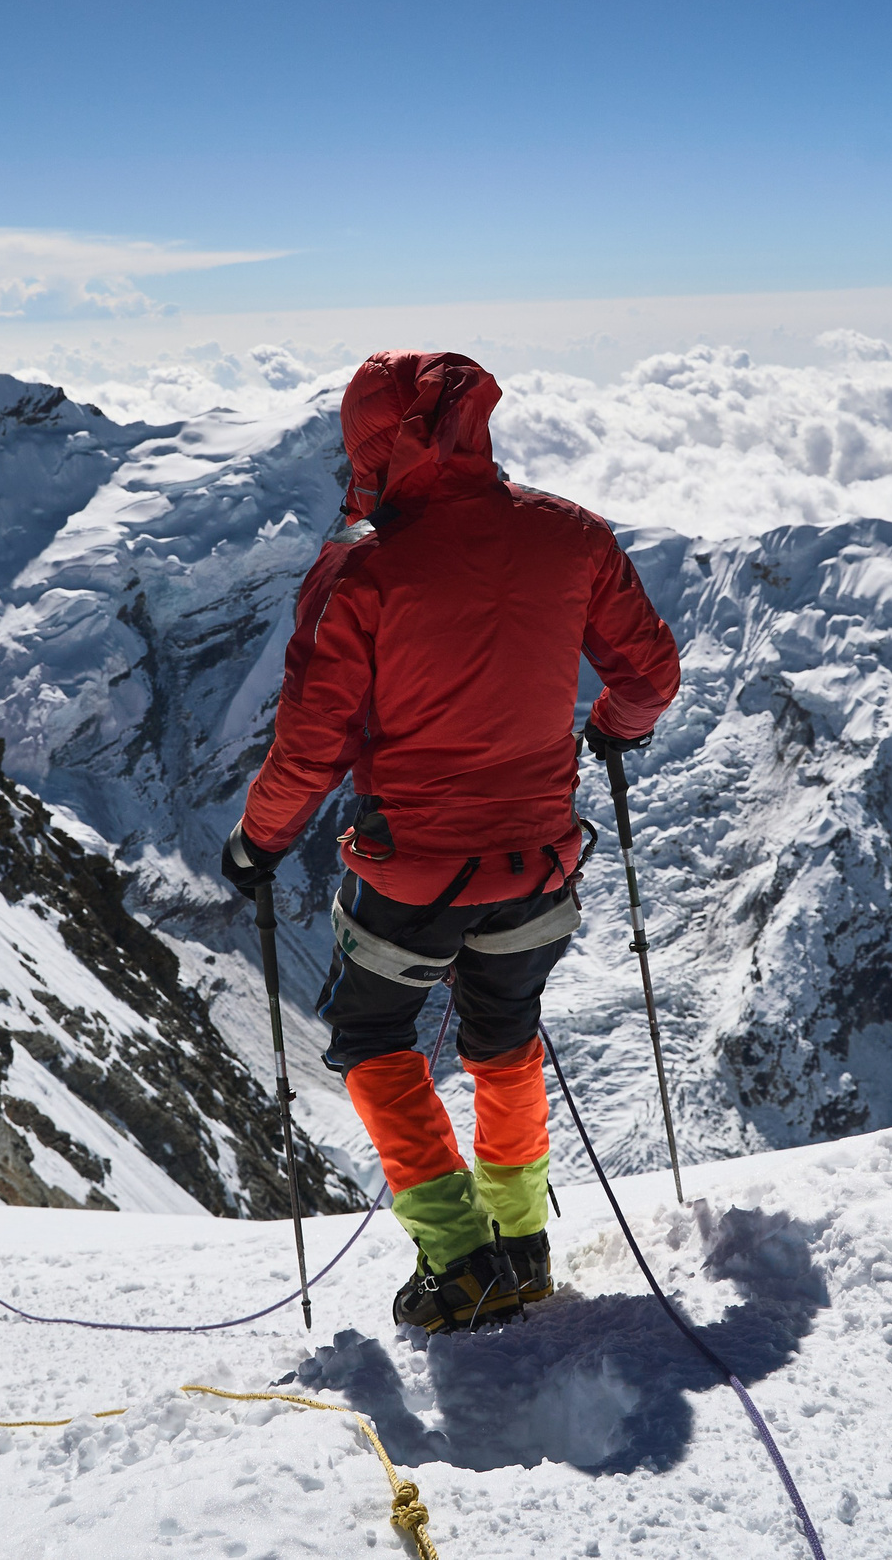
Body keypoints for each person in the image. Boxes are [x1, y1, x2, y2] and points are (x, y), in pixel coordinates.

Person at [220, 350, 680, 1333]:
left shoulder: (363, 569)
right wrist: (611, 733)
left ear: (370, 446)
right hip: (541, 860)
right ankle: (521, 1246)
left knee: (374, 1037)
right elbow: (648, 678)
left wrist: (258, 845)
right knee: (503, 1037)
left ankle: (460, 1260)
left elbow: (311, 748)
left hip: (415, 871)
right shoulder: (572, 537)